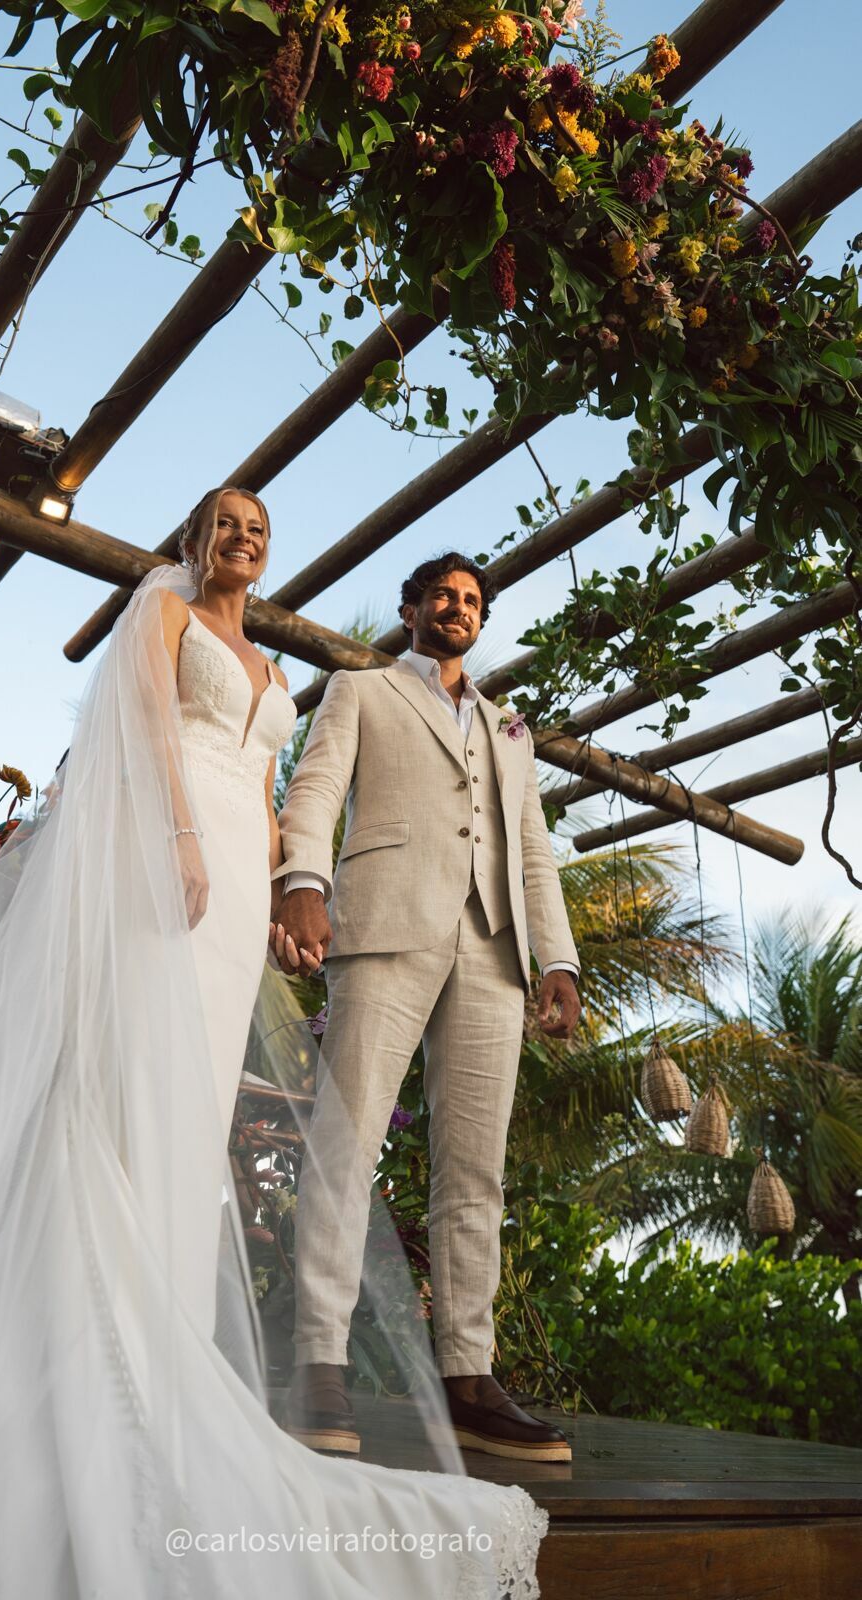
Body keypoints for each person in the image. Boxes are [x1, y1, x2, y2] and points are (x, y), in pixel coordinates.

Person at [0, 495, 547, 1598]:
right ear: (194, 540)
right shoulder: (164, 618)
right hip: (172, 850)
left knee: (193, 1097)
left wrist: (288, 904)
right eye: (226, 521)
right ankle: (87, 1351)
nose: (245, 535)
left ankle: (155, 1348)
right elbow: (141, 730)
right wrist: (177, 841)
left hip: (243, 883)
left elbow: (272, 785)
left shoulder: (278, 676)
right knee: (121, 1082)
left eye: (260, 526)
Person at [273, 553, 581, 1463]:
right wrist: (302, 878)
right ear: (410, 612)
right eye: (442, 595)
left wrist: (557, 958)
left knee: (475, 1169)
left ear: (481, 621)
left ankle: (468, 1374)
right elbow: (316, 787)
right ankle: (318, 1361)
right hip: (385, 928)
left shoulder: (512, 732)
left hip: (494, 952)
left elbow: (532, 850)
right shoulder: (361, 692)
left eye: (473, 600)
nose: (458, 608)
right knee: (347, 1138)